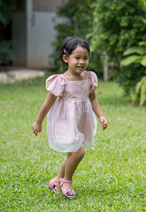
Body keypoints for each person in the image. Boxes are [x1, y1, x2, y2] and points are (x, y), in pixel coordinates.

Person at [32, 37, 107, 198]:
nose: (82, 62)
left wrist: (100, 116)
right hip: (65, 121)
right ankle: (67, 181)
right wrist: (38, 122)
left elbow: (93, 98)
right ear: (66, 58)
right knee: (78, 152)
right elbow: (47, 104)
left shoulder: (88, 78)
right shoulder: (61, 81)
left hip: (80, 120)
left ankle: (57, 180)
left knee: (71, 153)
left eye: (85, 58)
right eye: (77, 58)